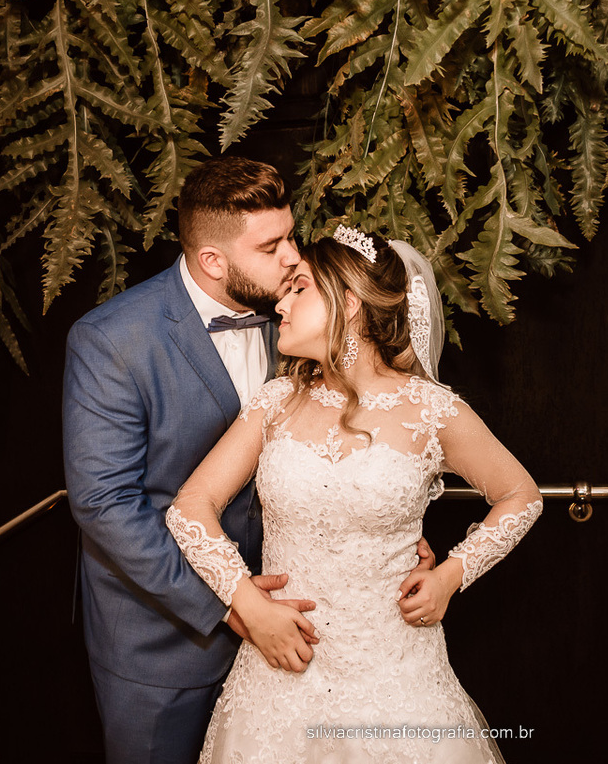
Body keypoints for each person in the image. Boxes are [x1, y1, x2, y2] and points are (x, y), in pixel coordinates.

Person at [166, 226, 544, 762]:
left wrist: (449, 576)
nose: (282, 302)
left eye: (299, 288)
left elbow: (521, 495)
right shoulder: (274, 403)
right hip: (279, 675)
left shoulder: (432, 411)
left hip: (398, 679)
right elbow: (189, 506)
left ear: (348, 301)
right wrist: (248, 603)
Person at [62, 156, 317, 764]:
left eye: (291, 234)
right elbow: (105, 505)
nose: (293, 257)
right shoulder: (112, 341)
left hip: (293, 624)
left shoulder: (299, 315)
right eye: (272, 245)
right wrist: (234, 604)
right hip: (163, 638)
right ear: (213, 261)